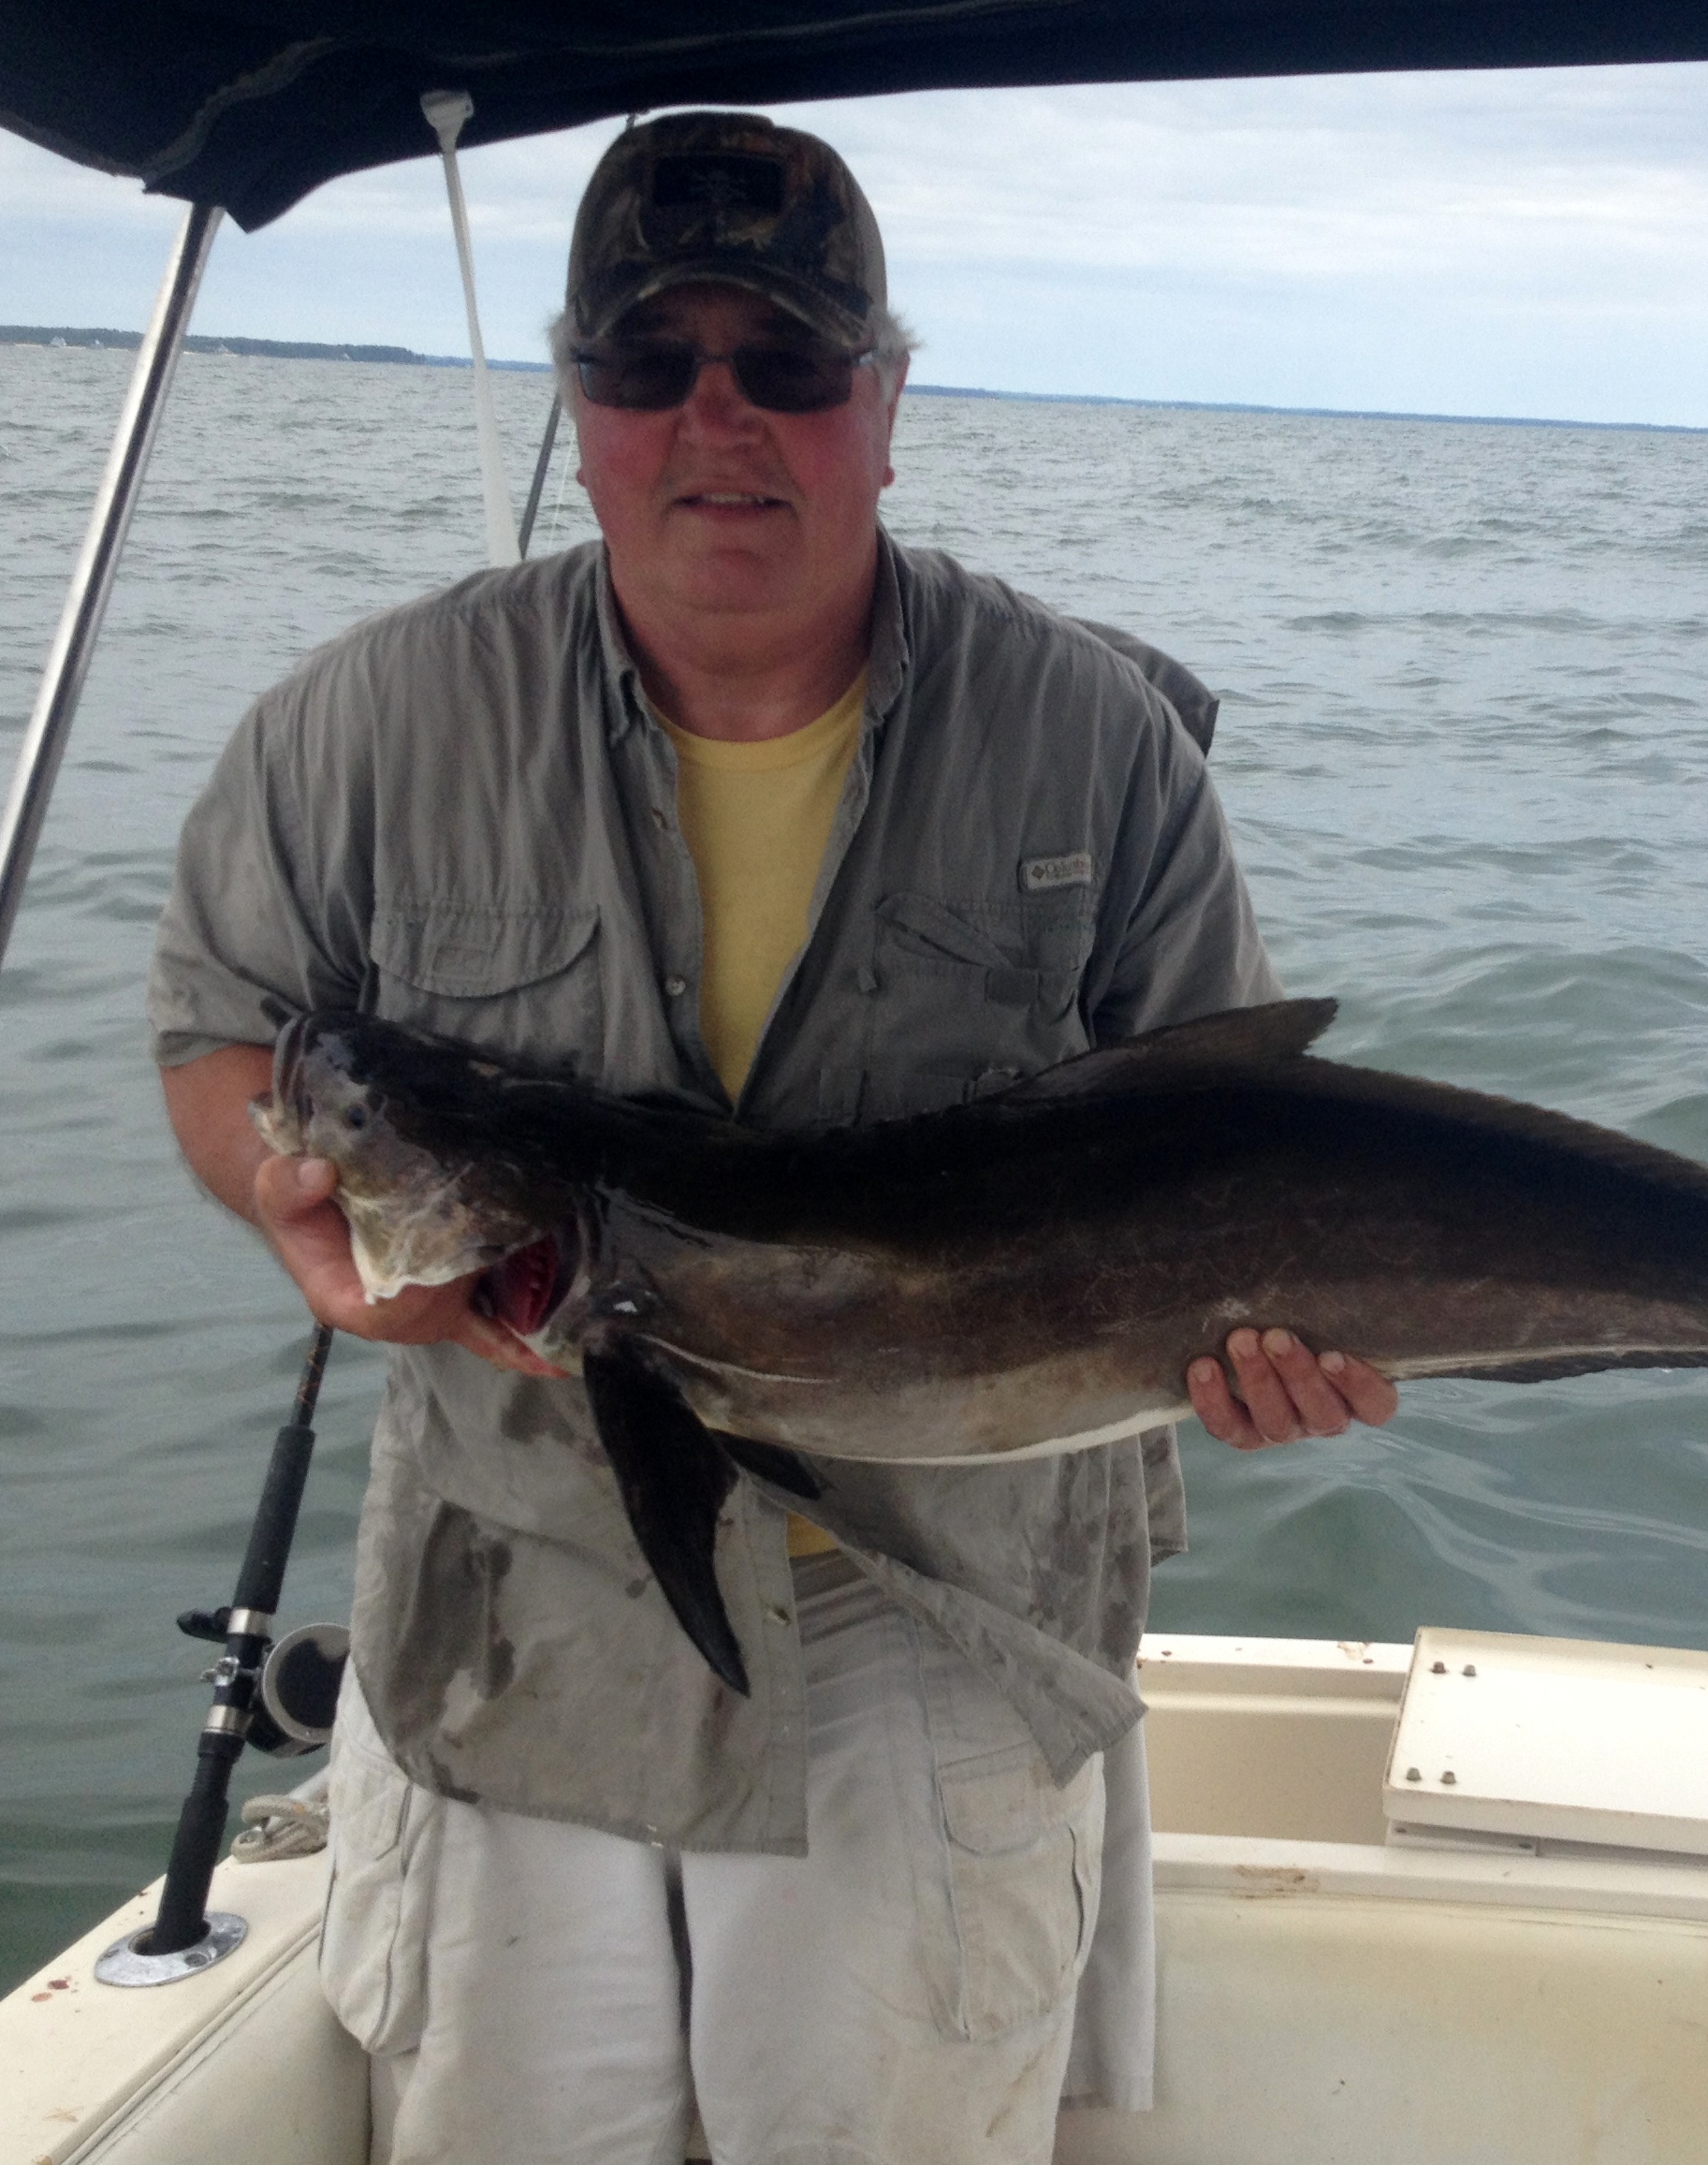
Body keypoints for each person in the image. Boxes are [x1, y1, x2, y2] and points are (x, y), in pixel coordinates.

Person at [149, 111, 1396, 2165]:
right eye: (650, 362)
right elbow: (226, 1028)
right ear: (581, 399)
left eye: (788, 362)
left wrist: (1277, 1353)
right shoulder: (369, 723)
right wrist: (295, 1210)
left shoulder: (1095, 741)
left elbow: (1226, 1133)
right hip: (513, 1612)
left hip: (941, 1613)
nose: (715, 417)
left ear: (884, 402)